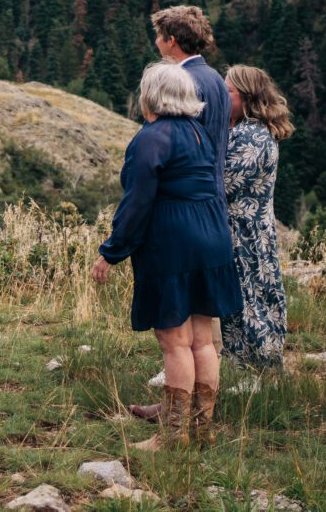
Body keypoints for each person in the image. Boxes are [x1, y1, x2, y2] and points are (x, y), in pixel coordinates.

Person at [92, 61, 242, 448]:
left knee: (174, 340)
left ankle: (172, 439)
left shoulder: (151, 137)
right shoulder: (198, 132)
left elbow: (138, 201)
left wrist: (112, 252)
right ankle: (201, 430)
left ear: (150, 95)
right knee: (203, 340)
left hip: (173, 241)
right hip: (211, 235)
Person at [221, 64, 293, 371]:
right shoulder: (240, 130)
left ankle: (258, 368)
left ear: (247, 97)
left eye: (229, 91)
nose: (222, 96)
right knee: (246, 295)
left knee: (251, 297)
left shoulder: (253, 137)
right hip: (244, 229)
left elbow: (225, 181)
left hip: (246, 233)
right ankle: (241, 365)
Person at [151, 5, 229, 189]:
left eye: (158, 36)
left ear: (171, 41)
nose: (155, 42)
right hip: (214, 193)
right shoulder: (217, 78)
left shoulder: (181, 82)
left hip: (187, 194)